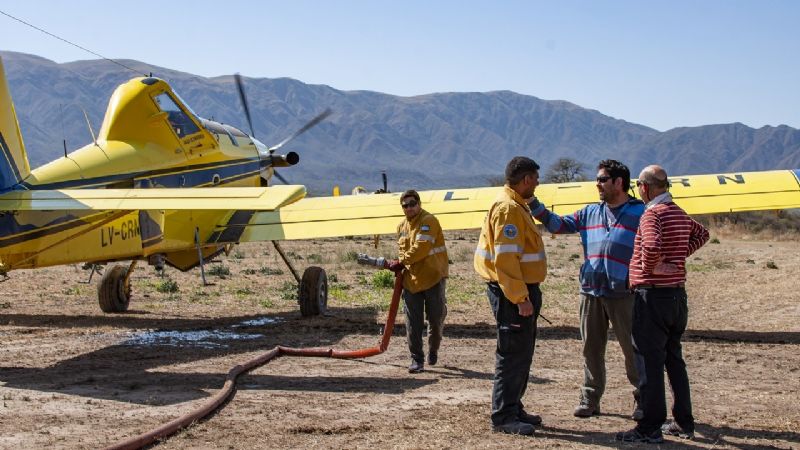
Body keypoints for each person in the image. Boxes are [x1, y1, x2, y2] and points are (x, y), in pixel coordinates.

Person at [528, 160, 645, 420]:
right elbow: (557, 225)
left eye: (603, 179)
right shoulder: (589, 212)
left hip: (626, 294)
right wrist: (533, 204)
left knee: (633, 348)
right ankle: (590, 399)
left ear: (619, 182)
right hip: (591, 292)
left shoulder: (641, 214)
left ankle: (643, 399)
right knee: (591, 348)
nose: (597, 184)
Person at [616, 165, 709, 443]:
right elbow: (702, 234)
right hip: (676, 296)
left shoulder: (651, 215)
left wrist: (654, 265)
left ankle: (649, 427)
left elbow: (652, 246)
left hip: (653, 295)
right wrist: (677, 260)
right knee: (673, 359)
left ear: (644, 188)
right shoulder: (678, 213)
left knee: (648, 362)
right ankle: (684, 421)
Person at [474, 156, 547, 436]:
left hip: (520, 290)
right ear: (526, 179)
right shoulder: (508, 209)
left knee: (522, 352)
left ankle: (513, 406)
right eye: (536, 179)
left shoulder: (516, 204)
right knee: (512, 354)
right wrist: (520, 297)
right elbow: (505, 260)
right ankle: (504, 416)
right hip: (512, 294)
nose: (538, 185)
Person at [392, 189, 449, 374]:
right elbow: (403, 252)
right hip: (411, 281)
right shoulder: (401, 226)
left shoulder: (428, 221)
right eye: (405, 205)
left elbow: (421, 248)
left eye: (412, 204)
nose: (409, 208)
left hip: (433, 278)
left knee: (435, 318)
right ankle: (417, 359)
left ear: (419, 204)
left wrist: (401, 262)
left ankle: (433, 349)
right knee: (412, 322)